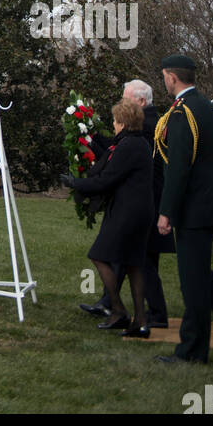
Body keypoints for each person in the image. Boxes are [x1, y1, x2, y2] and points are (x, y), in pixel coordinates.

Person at [78, 79, 172, 326]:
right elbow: (115, 150)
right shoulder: (140, 128)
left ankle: (152, 314)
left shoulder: (148, 127)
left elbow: (119, 158)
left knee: (141, 260)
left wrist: (81, 182)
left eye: (126, 99)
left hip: (143, 200)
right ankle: (112, 304)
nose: (122, 103)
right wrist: (92, 137)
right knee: (129, 258)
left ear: (141, 102)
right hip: (140, 201)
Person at [62, 98, 155, 336]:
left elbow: (107, 179)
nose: (113, 125)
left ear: (123, 123)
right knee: (134, 264)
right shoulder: (138, 143)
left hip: (127, 212)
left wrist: (77, 183)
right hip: (140, 211)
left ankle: (118, 309)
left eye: (115, 121)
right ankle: (140, 322)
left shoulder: (128, 146)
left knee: (99, 255)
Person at [153, 55, 213, 366]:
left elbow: (179, 168)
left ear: (171, 78)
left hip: (194, 208)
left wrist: (166, 211)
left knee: (192, 283)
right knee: (201, 276)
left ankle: (192, 352)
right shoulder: (206, 107)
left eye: (165, 77)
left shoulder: (183, 113)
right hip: (209, 204)